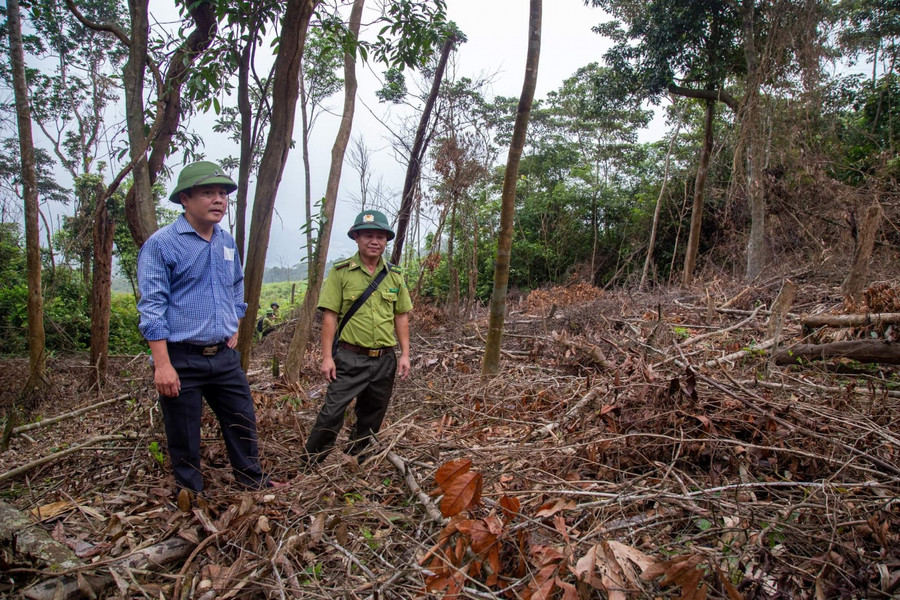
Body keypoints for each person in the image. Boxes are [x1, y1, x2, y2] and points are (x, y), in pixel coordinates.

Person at [137, 161, 277, 494]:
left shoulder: (226, 242)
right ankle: (191, 494)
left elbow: (236, 287)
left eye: (222, 194)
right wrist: (163, 365)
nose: (218, 200)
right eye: (208, 193)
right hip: (181, 357)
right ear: (185, 199)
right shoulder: (162, 245)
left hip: (224, 356)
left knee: (242, 418)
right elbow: (152, 308)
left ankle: (251, 481)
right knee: (183, 432)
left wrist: (236, 324)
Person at [302, 210, 412, 466]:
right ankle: (311, 464)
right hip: (350, 357)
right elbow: (330, 316)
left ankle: (356, 458)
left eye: (380, 237)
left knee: (372, 414)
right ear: (357, 238)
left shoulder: (394, 275)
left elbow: (401, 317)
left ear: (386, 241)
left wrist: (405, 355)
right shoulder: (341, 273)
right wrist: (328, 357)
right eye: (369, 236)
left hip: (385, 359)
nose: (375, 241)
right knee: (331, 413)